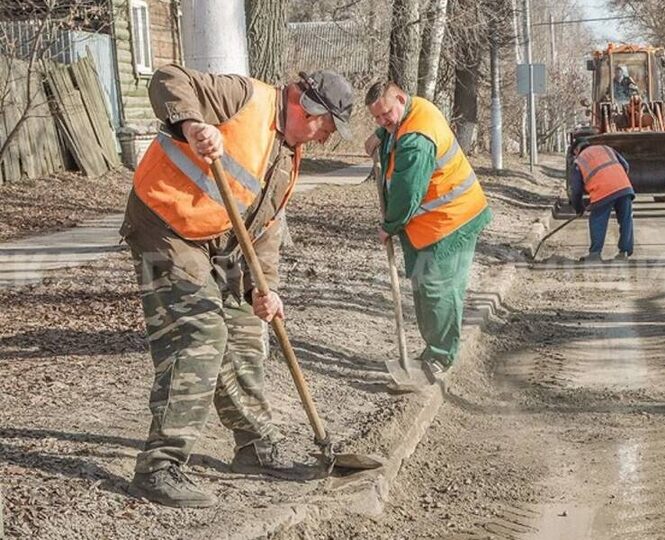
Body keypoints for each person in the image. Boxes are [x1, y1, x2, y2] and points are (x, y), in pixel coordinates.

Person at [120, 64, 355, 508]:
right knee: (200, 332)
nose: (326, 137)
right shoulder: (244, 96)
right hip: (163, 225)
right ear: (307, 107)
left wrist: (260, 290)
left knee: (247, 328)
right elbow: (167, 78)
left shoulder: (286, 155)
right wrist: (192, 126)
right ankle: (159, 466)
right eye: (327, 126)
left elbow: (264, 230)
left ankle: (254, 446)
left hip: (217, 243)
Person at [363, 81, 492, 379]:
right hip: (431, 223)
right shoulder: (412, 109)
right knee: (424, 285)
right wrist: (380, 135)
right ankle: (433, 348)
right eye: (377, 119)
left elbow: (408, 193)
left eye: (385, 115)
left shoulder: (416, 140)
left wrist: (389, 226)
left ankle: (440, 357)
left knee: (437, 290)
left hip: (450, 221)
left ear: (400, 97)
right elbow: (394, 126)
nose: (383, 121)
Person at [569, 142, 635, 262]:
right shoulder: (607, 148)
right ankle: (624, 252)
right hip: (624, 187)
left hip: (602, 191)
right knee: (626, 219)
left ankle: (595, 254)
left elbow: (576, 190)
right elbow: (625, 165)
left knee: (597, 220)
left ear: (576, 150)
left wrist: (579, 208)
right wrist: (617, 179)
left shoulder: (579, 161)